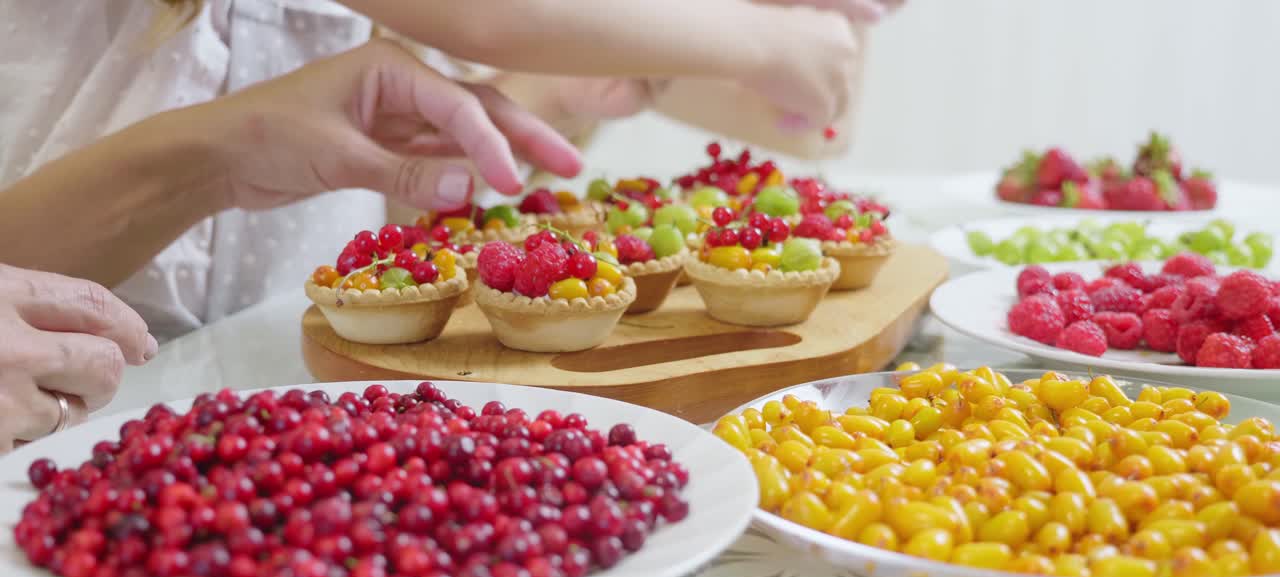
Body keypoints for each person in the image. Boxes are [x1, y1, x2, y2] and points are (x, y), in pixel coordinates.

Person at [0, 0, 879, 340]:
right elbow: (492, 17)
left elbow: (808, 126)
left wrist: (553, 91)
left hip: (290, 400)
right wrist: (774, 39)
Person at [0, 39, 582, 451]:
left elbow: (402, 239)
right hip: (62, 417)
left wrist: (553, 95)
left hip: (321, 412)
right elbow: (500, 18)